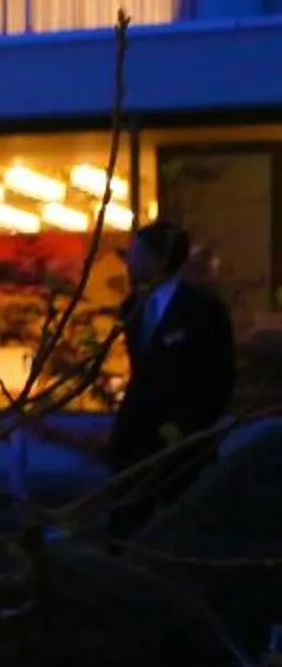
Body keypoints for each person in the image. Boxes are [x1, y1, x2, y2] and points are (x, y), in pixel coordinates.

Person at [110, 218, 236, 528]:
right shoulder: (132, 308)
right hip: (134, 439)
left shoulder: (203, 309)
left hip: (184, 443)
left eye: (136, 253)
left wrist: (187, 428)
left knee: (182, 523)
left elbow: (219, 376)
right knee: (127, 522)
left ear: (158, 259)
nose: (129, 262)